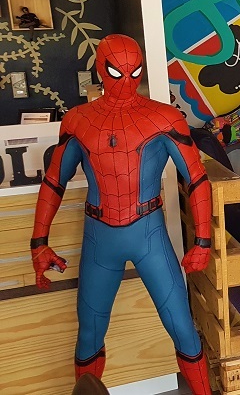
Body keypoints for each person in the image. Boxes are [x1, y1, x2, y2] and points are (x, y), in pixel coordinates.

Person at [30, 35, 212, 394]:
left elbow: (197, 178)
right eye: (116, 72)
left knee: (182, 327)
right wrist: (38, 242)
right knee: (89, 334)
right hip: (101, 236)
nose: (127, 81)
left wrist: (203, 240)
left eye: (135, 72)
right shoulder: (79, 120)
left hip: (148, 233)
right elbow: (54, 180)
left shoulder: (163, 117)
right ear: (100, 69)